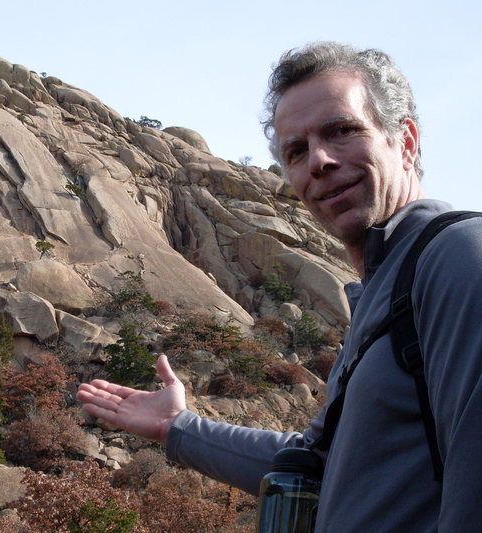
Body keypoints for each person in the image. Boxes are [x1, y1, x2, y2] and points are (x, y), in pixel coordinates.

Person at [77, 42, 482, 531]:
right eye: (297, 151)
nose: (320, 161)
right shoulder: (384, 293)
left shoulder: (459, 256)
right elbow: (318, 461)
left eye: (342, 131)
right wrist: (175, 427)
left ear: (406, 141)